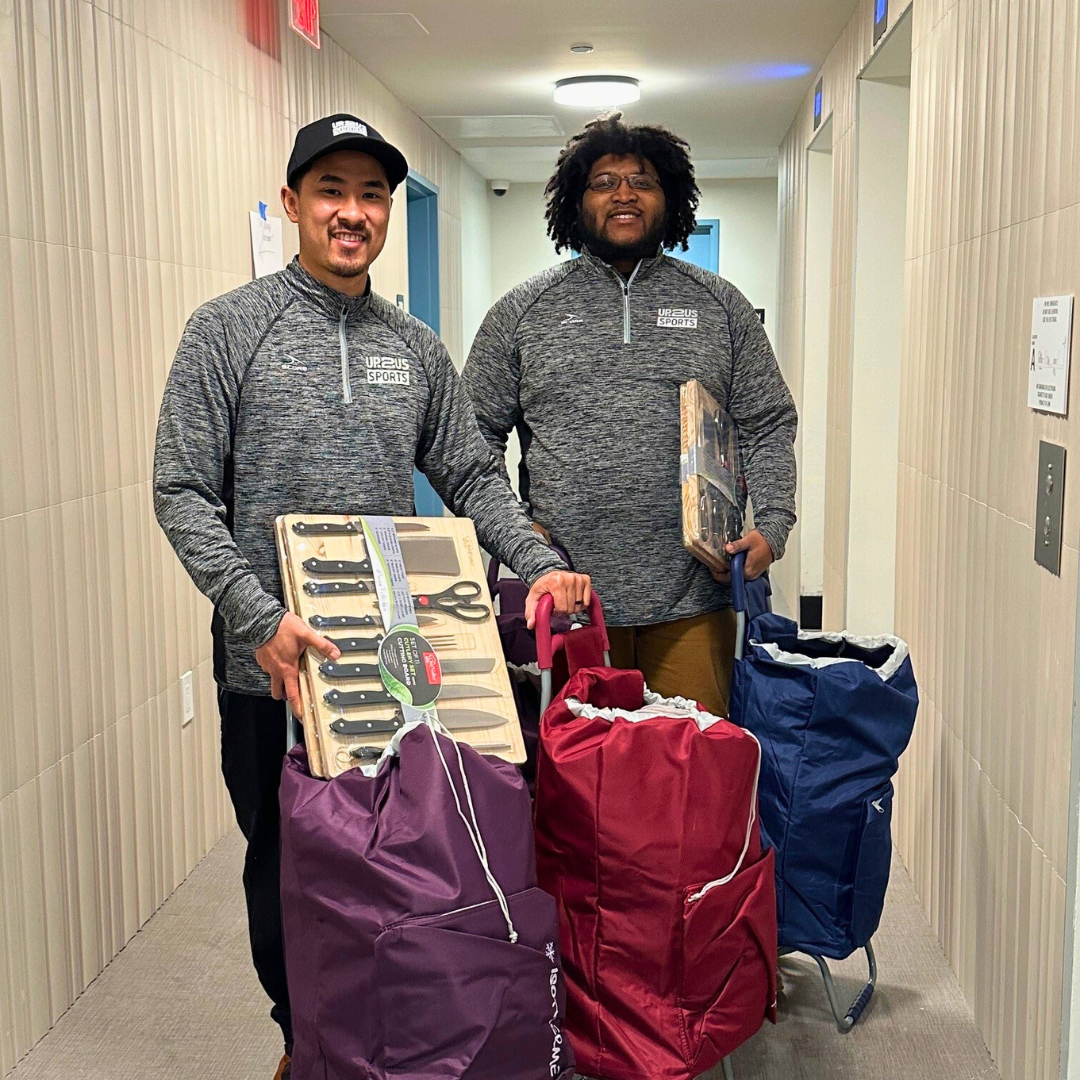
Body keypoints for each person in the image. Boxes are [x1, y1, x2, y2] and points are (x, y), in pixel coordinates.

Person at [152, 113, 590, 1080]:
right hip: (276, 666)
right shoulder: (228, 331)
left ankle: (383, 1033)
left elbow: (472, 474)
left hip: (395, 663)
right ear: (293, 204)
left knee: (394, 856)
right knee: (285, 864)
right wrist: (255, 618)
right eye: (331, 192)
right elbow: (179, 488)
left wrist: (532, 560)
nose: (352, 214)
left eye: (371, 195)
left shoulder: (415, 348)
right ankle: (300, 1041)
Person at [463, 113, 796, 717]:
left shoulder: (721, 308)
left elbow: (767, 421)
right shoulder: (522, 312)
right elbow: (470, 445)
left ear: (670, 199)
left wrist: (772, 524)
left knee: (693, 776)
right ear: (575, 202)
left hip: (696, 598)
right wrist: (519, 539)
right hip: (568, 600)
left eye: (642, 180)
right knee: (580, 785)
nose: (623, 193)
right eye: (603, 181)